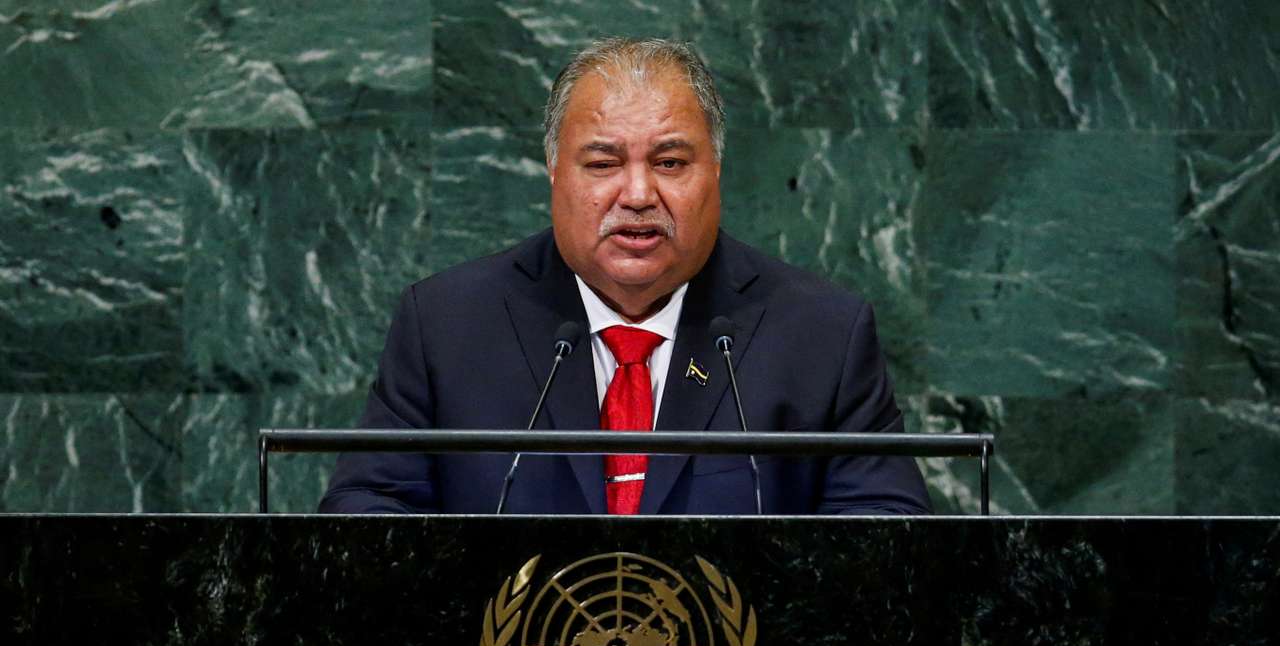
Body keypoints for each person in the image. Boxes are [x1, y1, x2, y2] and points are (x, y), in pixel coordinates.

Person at [319, 38, 931, 515]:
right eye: (603, 162)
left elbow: (885, 530)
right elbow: (368, 514)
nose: (638, 194)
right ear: (555, 171)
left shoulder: (821, 334)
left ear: (715, 172)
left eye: (669, 162)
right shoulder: (447, 325)